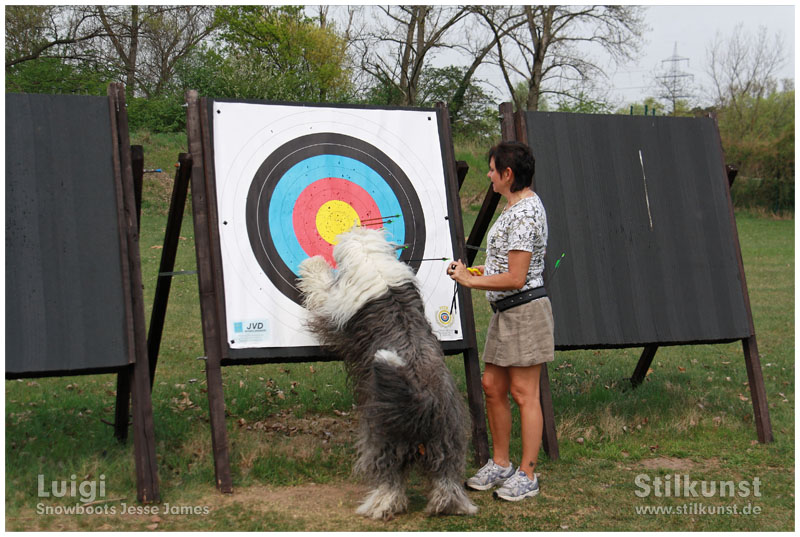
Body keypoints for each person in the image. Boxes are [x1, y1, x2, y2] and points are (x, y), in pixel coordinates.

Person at [447, 141, 554, 502]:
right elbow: (505, 267)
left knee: (525, 394)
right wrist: (477, 271)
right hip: (506, 313)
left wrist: (471, 281)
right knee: (492, 386)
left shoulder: (524, 213)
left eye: (493, 169)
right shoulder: (514, 207)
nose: (489, 174)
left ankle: (527, 474)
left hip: (525, 311)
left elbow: (517, 277)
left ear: (508, 175)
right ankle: (501, 463)